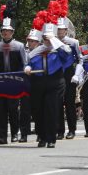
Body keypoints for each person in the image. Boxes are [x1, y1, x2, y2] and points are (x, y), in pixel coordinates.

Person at [25, 11, 72, 148]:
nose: (47, 40)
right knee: (38, 110)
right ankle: (42, 136)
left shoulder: (60, 50)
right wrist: (27, 68)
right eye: (45, 37)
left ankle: (51, 138)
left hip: (54, 82)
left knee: (51, 110)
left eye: (49, 37)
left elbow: (67, 53)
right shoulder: (35, 51)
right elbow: (28, 62)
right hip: (38, 82)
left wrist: (54, 40)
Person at [0, 6, 27, 143]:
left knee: (13, 109)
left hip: (14, 81)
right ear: (1, 32)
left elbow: (24, 64)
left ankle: (14, 133)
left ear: (12, 32)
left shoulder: (19, 46)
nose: (5, 33)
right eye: (3, 31)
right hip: (1, 82)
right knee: (1, 110)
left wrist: (21, 79)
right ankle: (2, 136)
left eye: (8, 31)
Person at [55, 0, 81, 140]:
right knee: (58, 103)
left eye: (62, 29)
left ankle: (71, 129)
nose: (60, 32)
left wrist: (77, 74)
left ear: (66, 30)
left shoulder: (73, 42)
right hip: (56, 74)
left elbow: (80, 60)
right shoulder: (52, 42)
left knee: (69, 103)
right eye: (58, 29)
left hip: (69, 74)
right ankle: (59, 130)